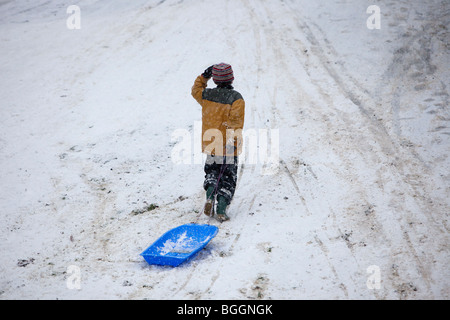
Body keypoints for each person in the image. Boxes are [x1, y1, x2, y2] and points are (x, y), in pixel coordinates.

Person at [191, 63, 245, 221]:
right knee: (228, 177)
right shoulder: (236, 98)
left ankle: (209, 196)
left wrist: (203, 77)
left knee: (212, 172)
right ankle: (221, 208)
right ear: (231, 78)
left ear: (215, 79)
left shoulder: (207, 95)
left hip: (211, 142)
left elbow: (195, 91)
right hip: (228, 145)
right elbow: (236, 122)